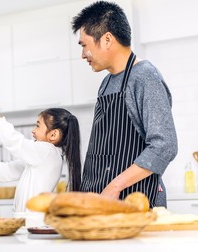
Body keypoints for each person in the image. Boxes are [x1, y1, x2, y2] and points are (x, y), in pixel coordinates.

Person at [71, 1, 178, 208]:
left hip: (135, 202)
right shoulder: (106, 82)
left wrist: (114, 187)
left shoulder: (144, 76)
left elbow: (165, 146)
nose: (83, 54)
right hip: (101, 203)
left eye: (84, 45)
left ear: (107, 39)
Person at [0, 103, 81, 213]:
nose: (33, 130)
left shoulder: (47, 151)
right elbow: (10, 169)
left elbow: (14, 141)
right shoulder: (44, 157)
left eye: (38, 126)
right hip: (31, 222)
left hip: (34, 222)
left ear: (53, 134)